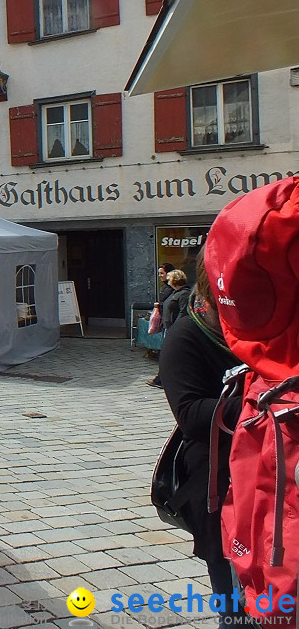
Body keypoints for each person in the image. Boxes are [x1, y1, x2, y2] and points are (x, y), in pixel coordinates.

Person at [158, 252, 250, 628]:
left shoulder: (258, 329)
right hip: (218, 479)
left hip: (266, 476)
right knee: (238, 603)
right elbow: (192, 415)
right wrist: (258, 398)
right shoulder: (185, 338)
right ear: (210, 298)